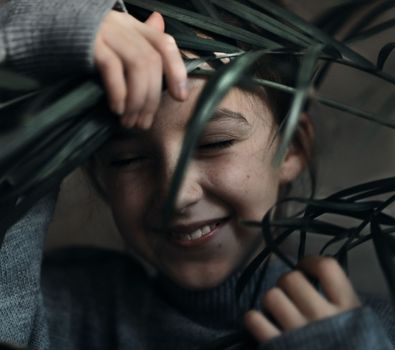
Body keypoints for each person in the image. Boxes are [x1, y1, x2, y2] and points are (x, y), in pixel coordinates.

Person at [0, 0, 394, 349]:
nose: (178, 193)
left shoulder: (378, 329)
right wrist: (39, 32)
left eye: (214, 143)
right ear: (98, 172)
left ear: (292, 146)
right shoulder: (61, 311)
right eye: (128, 159)